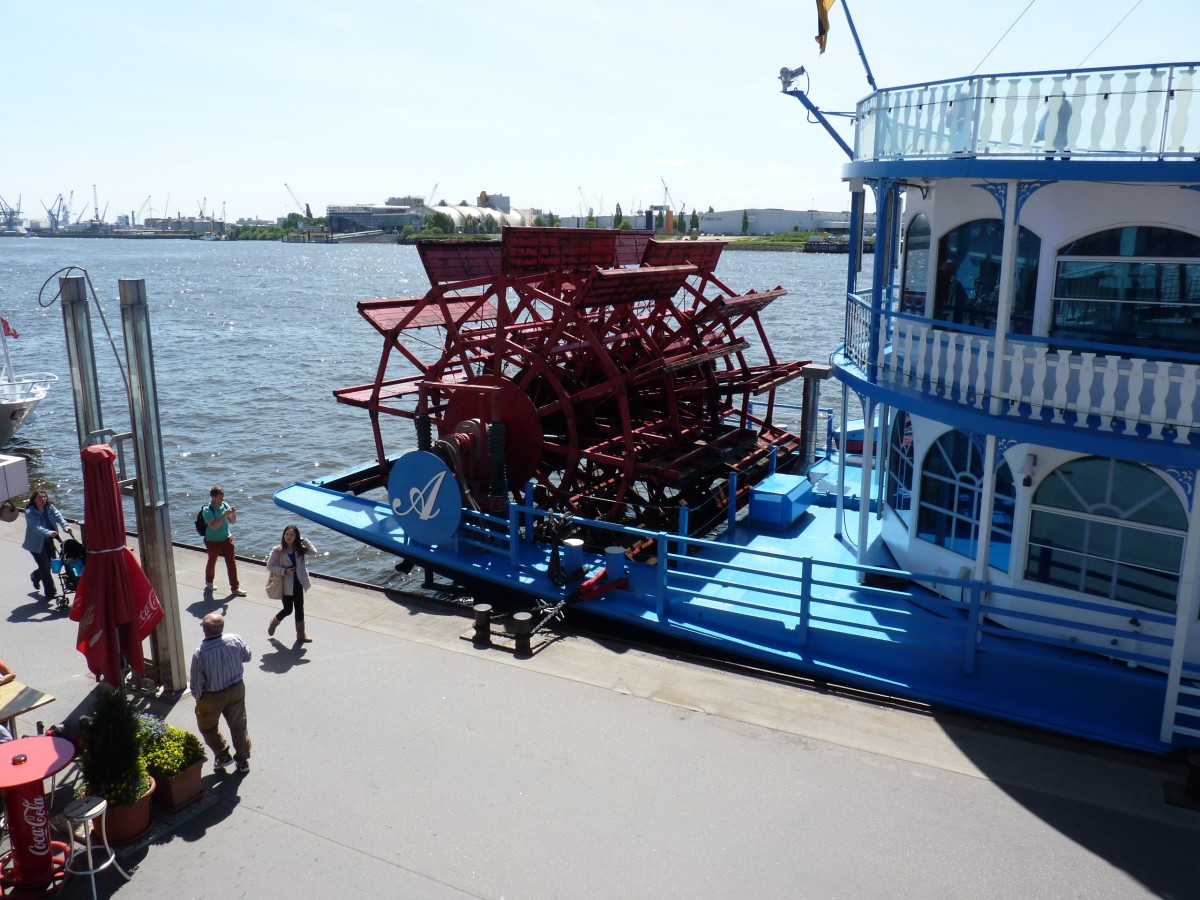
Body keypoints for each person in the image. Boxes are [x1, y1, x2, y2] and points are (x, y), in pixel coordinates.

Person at [190, 613, 252, 774]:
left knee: (207, 727)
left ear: (206, 631)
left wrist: (198, 699)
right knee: (238, 725)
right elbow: (247, 656)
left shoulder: (200, 653)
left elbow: (197, 683)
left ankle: (222, 754)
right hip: (237, 688)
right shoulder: (235, 639)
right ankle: (243, 760)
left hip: (213, 696)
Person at [265, 524, 316, 644]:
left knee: (300, 608)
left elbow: (314, 552)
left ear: (296, 536)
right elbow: (269, 566)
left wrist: (304, 540)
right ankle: (274, 622)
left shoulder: (300, 548)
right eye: (287, 534)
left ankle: (301, 635)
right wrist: (284, 571)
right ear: (283, 535)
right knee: (288, 609)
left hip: (298, 583)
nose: (289, 536)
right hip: (285, 585)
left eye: (292, 534)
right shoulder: (278, 550)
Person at [22, 490, 73, 602]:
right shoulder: (30, 512)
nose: (43, 499)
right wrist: (48, 532)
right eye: (40, 497)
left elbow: (58, 516)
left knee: (51, 564)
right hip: (36, 544)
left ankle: (35, 576)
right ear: (34, 500)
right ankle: (51, 593)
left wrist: (65, 527)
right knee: (45, 567)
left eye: (45, 497)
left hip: (49, 540)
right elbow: (34, 526)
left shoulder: (50, 507)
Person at [202, 486, 246, 597]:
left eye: (222, 497)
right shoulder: (207, 510)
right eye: (219, 498)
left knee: (231, 563)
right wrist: (225, 514)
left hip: (227, 539)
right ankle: (209, 581)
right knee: (212, 561)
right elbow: (214, 526)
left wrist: (233, 513)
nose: (222, 500)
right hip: (212, 541)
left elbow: (232, 522)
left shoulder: (225, 505)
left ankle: (235, 588)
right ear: (213, 497)